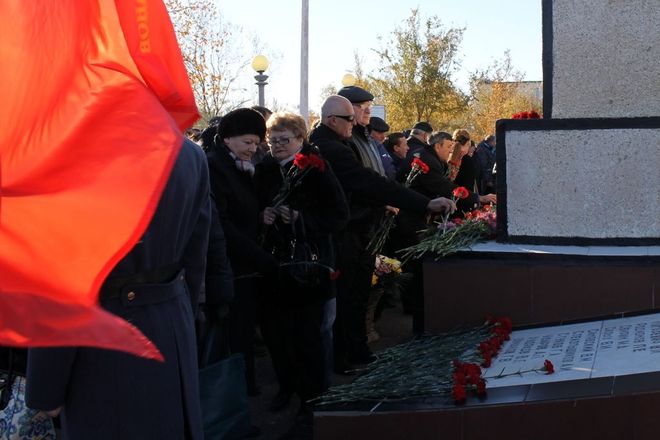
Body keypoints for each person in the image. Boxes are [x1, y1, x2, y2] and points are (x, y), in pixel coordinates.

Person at [26, 139, 211, 439]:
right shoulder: (189, 152)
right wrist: (183, 319)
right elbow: (196, 256)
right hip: (170, 326)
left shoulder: (75, 157)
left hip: (105, 346)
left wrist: (46, 387)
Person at [309, 95, 456, 373]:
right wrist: (423, 202)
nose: (355, 122)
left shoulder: (343, 142)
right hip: (345, 234)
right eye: (351, 118)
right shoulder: (332, 148)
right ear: (332, 120)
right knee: (347, 298)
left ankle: (357, 351)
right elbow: (368, 182)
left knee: (357, 295)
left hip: (361, 229)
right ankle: (344, 358)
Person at [254, 112, 349, 435]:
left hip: (309, 267)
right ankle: (287, 386)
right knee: (277, 335)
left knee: (309, 336)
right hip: (274, 266)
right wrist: (263, 215)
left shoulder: (316, 169)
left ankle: (312, 400)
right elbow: (253, 206)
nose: (277, 146)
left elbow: (338, 215)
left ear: (300, 140)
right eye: (272, 141)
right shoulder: (264, 169)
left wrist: (300, 219)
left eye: (284, 140)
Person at [206, 108, 279, 396]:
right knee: (235, 334)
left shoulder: (239, 166)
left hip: (245, 263)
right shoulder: (215, 168)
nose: (253, 149)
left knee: (244, 331)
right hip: (232, 266)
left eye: (257, 143)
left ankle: (244, 389)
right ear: (227, 139)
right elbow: (222, 224)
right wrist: (261, 258)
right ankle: (237, 395)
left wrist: (261, 215)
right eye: (248, 142)